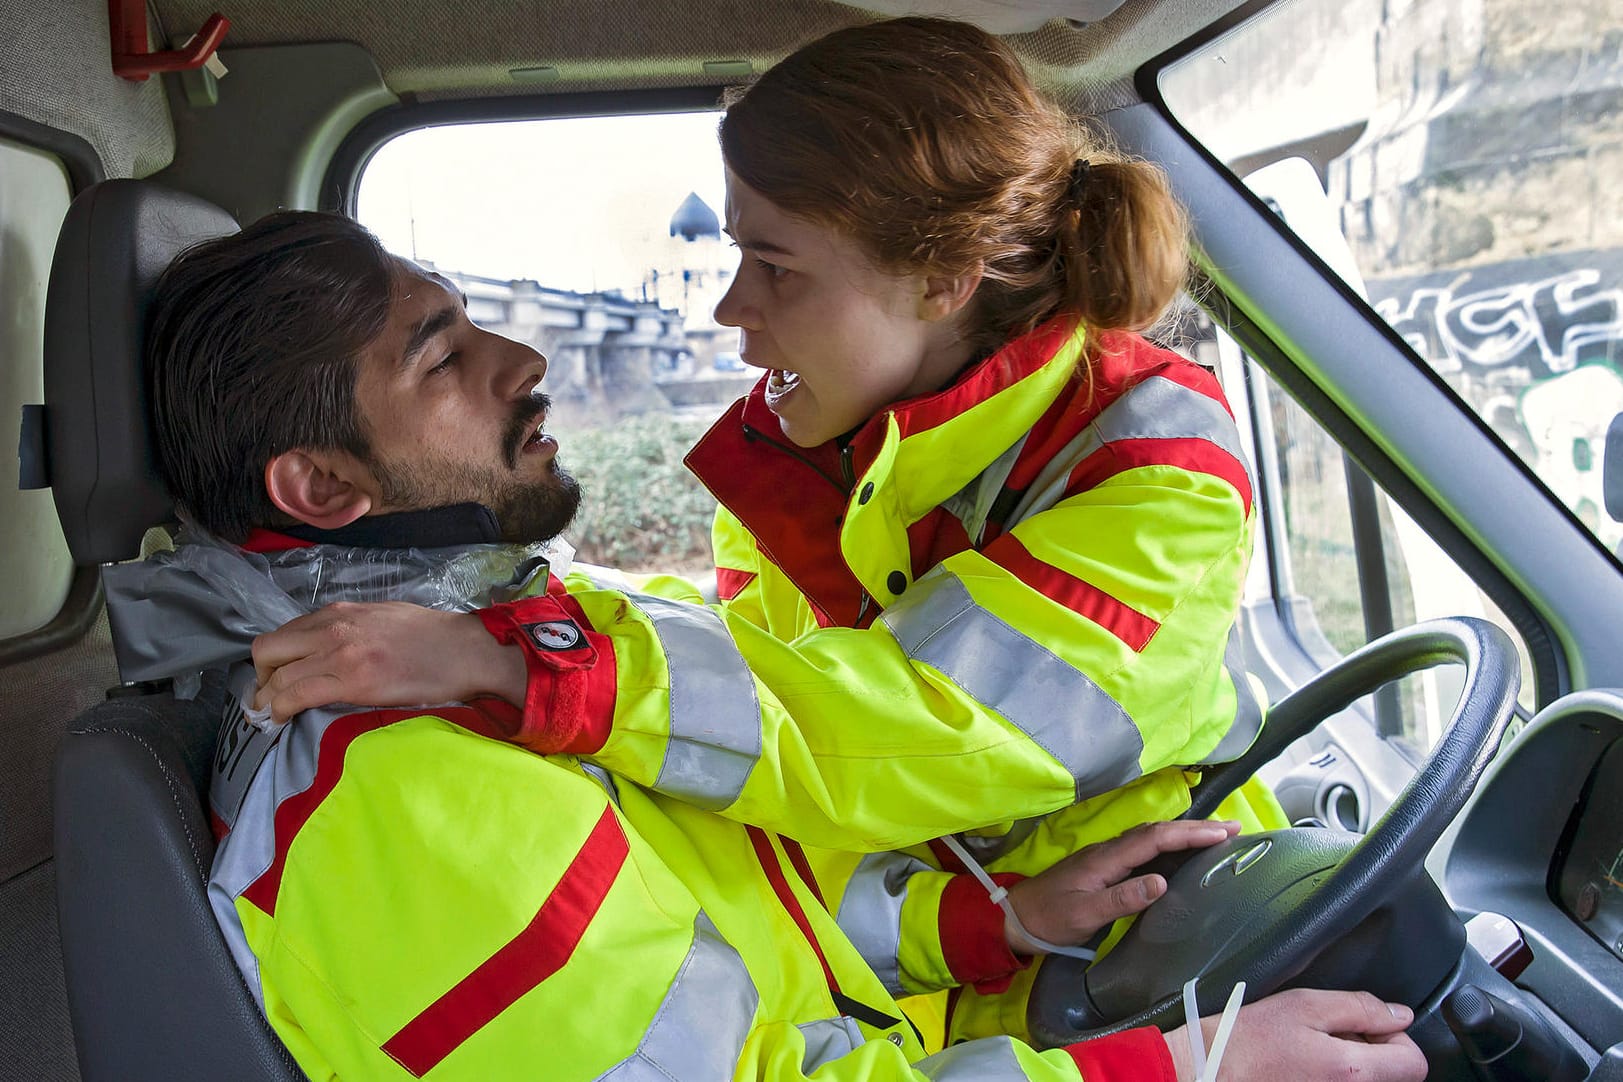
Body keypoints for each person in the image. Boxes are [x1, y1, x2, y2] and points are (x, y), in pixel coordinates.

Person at [112, 208, 1428, 1082]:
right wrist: (1190, 1066)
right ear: (323, 491)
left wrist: (985, 920)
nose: (524, 361)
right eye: (444, 354)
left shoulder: (489, 652)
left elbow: (732, 909)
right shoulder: (400, 786)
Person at [248, 16, 1283, 1047]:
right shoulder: (797, 462)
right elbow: (769, 781)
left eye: (776, 266)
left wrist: (540, 663)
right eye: (740, 253)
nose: (731, 310)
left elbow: (888, 737)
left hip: (1165, 925)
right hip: (1025, 997)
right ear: (319, 481)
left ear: (942, 279)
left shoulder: (1146, 462)